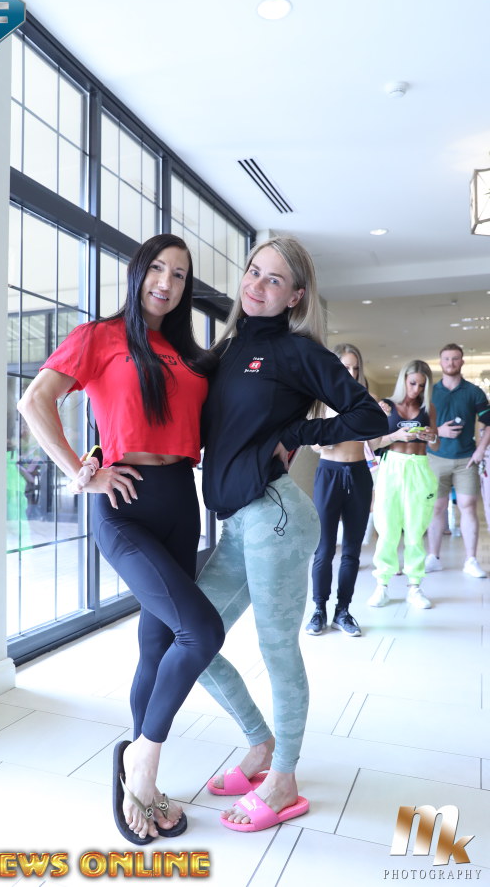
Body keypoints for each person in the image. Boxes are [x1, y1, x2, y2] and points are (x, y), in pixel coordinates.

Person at [17, 234, 225, 845]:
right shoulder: (99, 336)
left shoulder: (188, 353)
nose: (167, 281)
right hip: (124, 504)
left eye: (180, 274)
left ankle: (143, 775)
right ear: (138, 273)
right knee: (202, 631)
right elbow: (35, 401)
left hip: (181, 501)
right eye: (157, 268)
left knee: (157, 643)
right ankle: (143, 759)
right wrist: (81, 471)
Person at [195, 236, 388, 833]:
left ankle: (283, 779)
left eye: (274, 279)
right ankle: (261, 743)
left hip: (275, 516)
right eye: (253, 272)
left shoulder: (296, 351)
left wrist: (297, 436)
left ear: (296, 295)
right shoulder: (229, 349)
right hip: (237, 521)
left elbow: (369, 415)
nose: (256, 285)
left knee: (276, 648)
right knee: (189, 638)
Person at [305, 343, 374, 638]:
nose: (352, 372)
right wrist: (329, 434)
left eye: (355, 367)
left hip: (359, 474)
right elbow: (314, 444)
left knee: (352, 551)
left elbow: (374, 442)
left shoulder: (365, 400)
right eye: (346, 366)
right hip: (329, 474)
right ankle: (319, 610)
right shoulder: (320, 400)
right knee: (323, 549)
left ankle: (343, 611)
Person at [367, 360, 438, 609]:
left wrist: (430, 436)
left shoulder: (428, 408)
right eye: (412, 383)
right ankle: (382, 585)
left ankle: (414, 587)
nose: (416, 389)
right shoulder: (387, 406)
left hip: (419, 467)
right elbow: (373, 443)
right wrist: (396, 435)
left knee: (415, 529)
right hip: (391, 467)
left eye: (422, 385)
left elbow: (436, 443)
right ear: (403, 380)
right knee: (387, 528)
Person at [424, 343, 490, 578]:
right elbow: (419, 425)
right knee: (436, 508)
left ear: (462, 361)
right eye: (446, 359)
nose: (450, 363)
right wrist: (439, 431)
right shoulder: (430, 392)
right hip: (435, 457)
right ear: (440, 362)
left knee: (468, 506)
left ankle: (471, 560)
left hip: (466, 460)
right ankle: (433, 558)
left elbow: (488, 423)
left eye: (455, 358)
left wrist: (480, 450)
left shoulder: (474, 392)